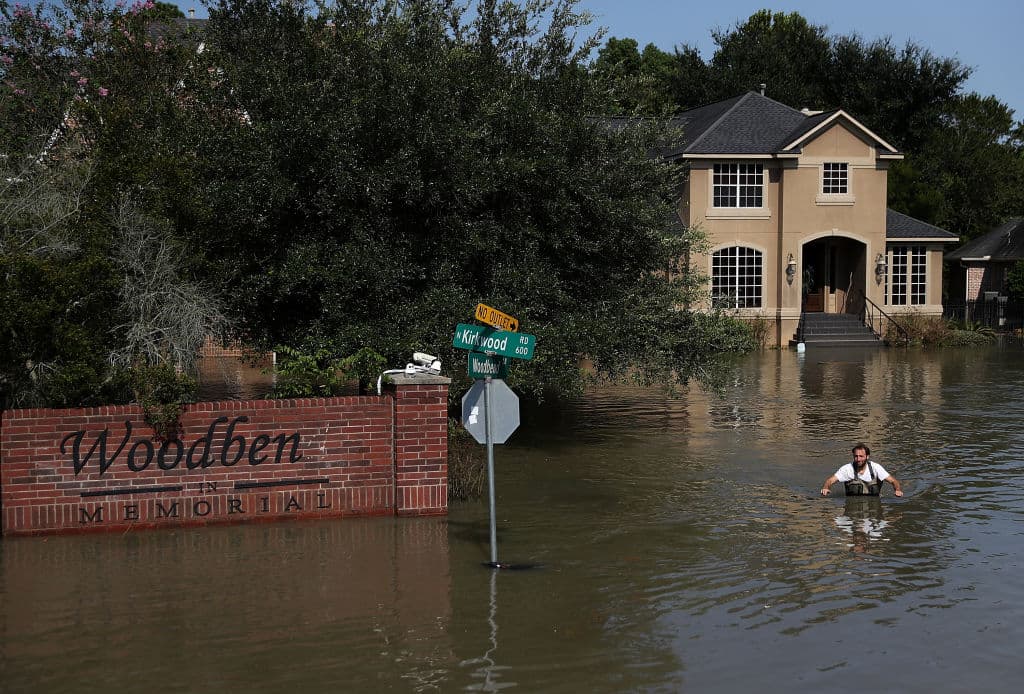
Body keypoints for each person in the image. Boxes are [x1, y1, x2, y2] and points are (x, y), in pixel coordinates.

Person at [820, 443, 903, 497]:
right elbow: (830, 481)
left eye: (861, 456)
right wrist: (826, 488)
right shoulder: (847, 469)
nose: (858, 459)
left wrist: (897, 490)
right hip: (852, 508)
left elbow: (893, 481)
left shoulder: (876, 468)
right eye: (856, 456)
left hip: (873, 508)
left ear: (867, 456)